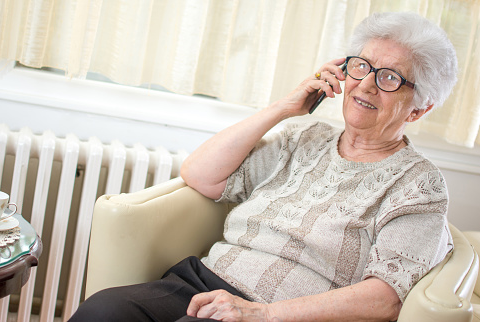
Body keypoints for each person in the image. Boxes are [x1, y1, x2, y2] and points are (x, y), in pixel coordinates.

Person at [70, 11, 457, 321]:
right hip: (203, 282)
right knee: (102, 309)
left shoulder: (420, 186)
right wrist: (284, 108)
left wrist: (263, 313)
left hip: (283, 313)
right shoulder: (303, 138)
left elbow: (386, 298)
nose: (367, 85)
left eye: (390, 77)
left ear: (420, 108)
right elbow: (201, 175)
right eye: (362, 66)